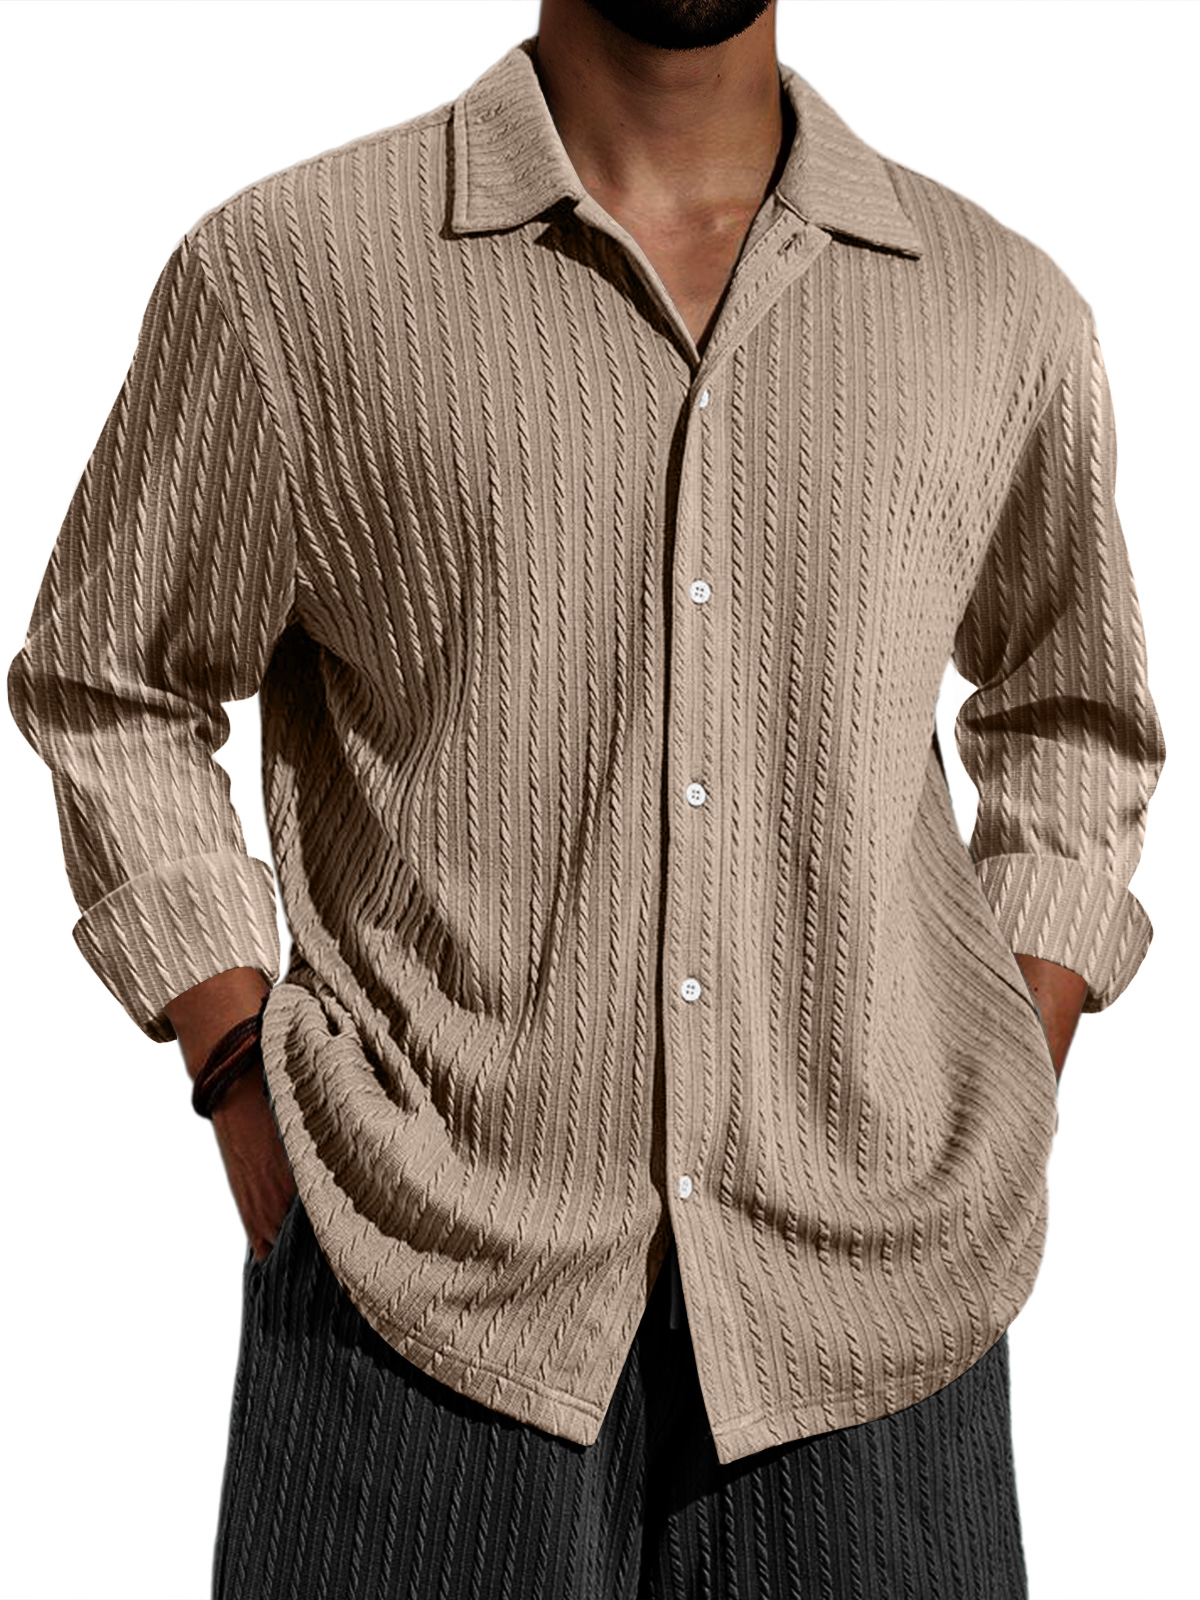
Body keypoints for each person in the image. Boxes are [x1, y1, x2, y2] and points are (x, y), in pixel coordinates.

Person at [6, 0, 1166, 1595]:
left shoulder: (995, 307)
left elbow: (1076, 716)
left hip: (877, 1317)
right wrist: (232, 1067)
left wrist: (1003, 1056)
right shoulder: (292, 278)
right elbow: (110, 677)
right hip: (413, 1298)